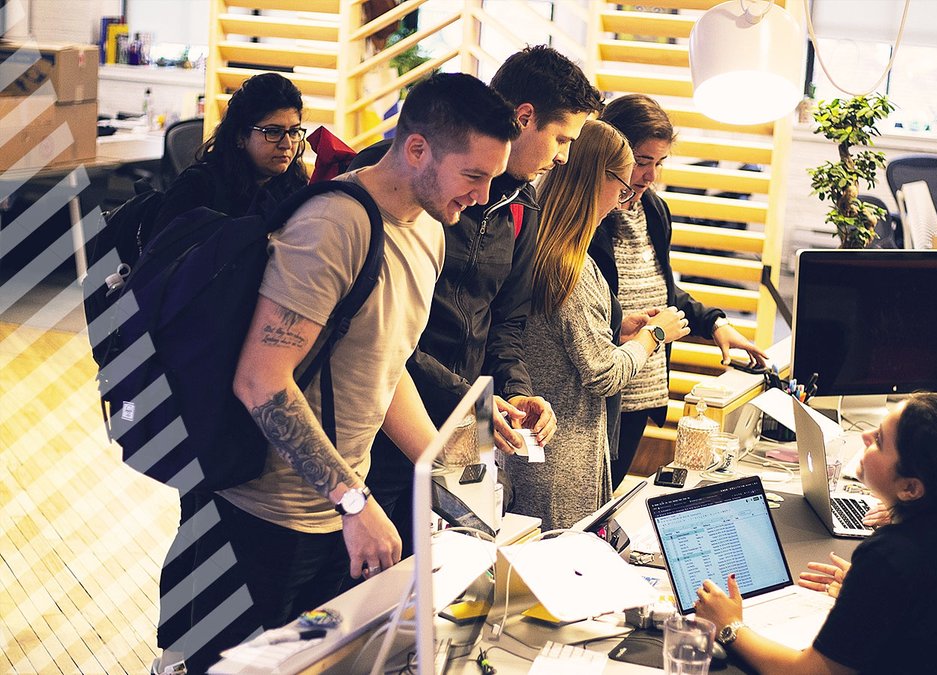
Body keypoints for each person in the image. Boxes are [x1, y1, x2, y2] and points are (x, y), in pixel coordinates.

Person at [152, 73, 519, 675]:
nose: (481, 197)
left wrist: (446, 470)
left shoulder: (428, 227)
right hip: (260, 518)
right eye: (473, 175)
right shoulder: (334, 226)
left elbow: (385, 359)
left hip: (333, 512)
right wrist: (353, 501)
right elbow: (261, 380)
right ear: (418, 149)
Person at [362, 45, 603, 552]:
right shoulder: (407, 190)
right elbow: (381, 337)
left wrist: (513, 392)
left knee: (450, 576)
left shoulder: (523, 205)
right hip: (380, 418)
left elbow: (505, 325)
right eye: (561, 139)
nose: (563, 157)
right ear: (525, 117)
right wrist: (470, 398)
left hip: (468, 421)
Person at [694, 395, 937, 675]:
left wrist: (730, 626)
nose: (866, 437)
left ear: (910, 488)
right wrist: (874, 594)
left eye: (880, 440)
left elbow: (811, 672)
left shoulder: (894, 556)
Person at [506, 120, 690, 530]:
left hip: (546, 450)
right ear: (593, 181)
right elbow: (603, 374)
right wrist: (653, 336)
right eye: (621, 188)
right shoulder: (569, 266)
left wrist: (618, 329)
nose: (622, 202)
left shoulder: (540, 249)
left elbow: (561, 339)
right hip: (559, 457)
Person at [591, 94, 769, 486]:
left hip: (643, 386)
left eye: (659, 163)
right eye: (641, 162)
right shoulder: (590, 215)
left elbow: (663, 291)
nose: (650, 176)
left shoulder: (653, 209)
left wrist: (715, 323)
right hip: (599, 389)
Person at [153, 72, 309, 233]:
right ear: (240, 136)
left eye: (293, 132)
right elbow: (161, 255)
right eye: (273, 132)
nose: (287, 144)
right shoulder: (198, 187)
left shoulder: (293, 186)